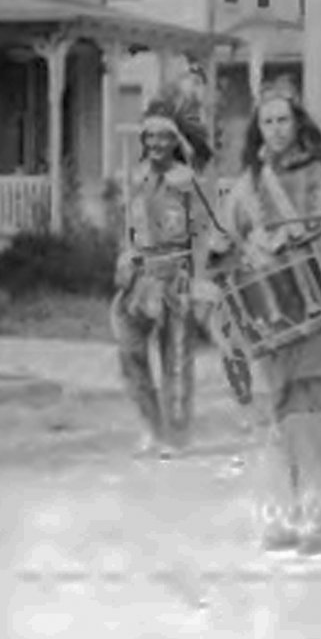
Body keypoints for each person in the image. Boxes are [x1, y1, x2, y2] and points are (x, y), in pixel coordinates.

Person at [221, 79, 321, 554]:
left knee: (309, 414)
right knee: (277, 415)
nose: (275, 130)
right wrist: (235, 254)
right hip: (270, 313)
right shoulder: (248, 185)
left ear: (298, 123)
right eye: (267, 122)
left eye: (283, 120)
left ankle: (320, 518)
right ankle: (284, 513)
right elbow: (221, 242)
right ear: (258, 129)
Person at [114, 96, 217, 458]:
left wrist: (200, 281)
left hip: (176, 274)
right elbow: (128, 225)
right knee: (129, 351)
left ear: (175, 142)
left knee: (175, 357)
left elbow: (202, 235)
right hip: (140, 276)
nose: (156, 144)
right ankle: (151, 425)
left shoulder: (187, 181)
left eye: (163, 137)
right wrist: (125, 257)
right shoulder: (137, 177)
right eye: (150, 137)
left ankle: (176, 434)